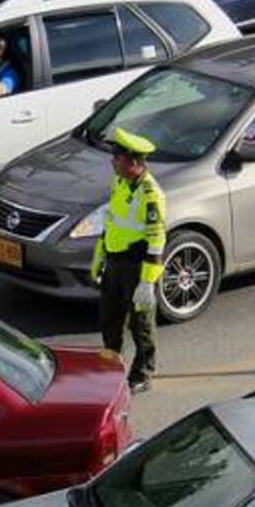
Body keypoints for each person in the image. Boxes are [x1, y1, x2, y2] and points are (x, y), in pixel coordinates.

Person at [90, 128, 167, 394]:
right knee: (109, 318)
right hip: (115, 262)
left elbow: (157, 240)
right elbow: (111, 221)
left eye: (118, 158)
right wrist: (100, 257)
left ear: (133, 162)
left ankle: (144, 372)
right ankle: (112, 367)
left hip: (137, 268)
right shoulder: (119, 183)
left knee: (140, 324)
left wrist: (147, 283)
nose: (113, 162)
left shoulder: (150, 195)